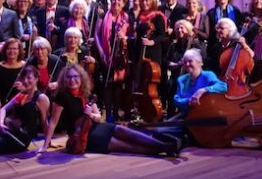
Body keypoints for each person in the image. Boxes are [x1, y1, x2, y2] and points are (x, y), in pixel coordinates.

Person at [39, 65, 181, 156]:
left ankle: (168, 144)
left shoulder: (85, 94)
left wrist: (91, 114)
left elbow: (97, 117)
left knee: (128, 132)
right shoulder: (62, 96)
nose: (72, 80)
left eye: (76, 77)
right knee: (129, 147)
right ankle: (167, 148)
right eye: (69, 77)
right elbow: (53, 122)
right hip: (85, 137)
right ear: (64, 79)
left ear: (81, 78)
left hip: (98, 127)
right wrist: (45, 145)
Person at [94, 0, 130, 122]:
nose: (116, 2)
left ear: (124, 3)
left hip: (120, 56)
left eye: (119, 0)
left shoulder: (126, 17)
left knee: (118, 85)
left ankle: (116, 113)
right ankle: (108, 113)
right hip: (106, 55)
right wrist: (102, 52)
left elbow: (130, 36)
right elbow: (97, 35)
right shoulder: (103, 16)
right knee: (107, 85)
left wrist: (124, 37)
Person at [166, 20, 205, 118]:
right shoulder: (173, 45)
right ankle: (170, 118)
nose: (179, 30)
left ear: (187, 30)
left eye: (182, 28)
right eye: (177, 28)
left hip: (190, 78)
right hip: (176, 77)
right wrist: (175, 64)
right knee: (171, 90)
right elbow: (166, 61)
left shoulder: (195, 44)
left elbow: (202, 58)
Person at [173, 49, 228, 118]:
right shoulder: (181, 79)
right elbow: (176, 100)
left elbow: (223, 86)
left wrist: (203, 90)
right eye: (185, 62)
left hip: (206, 117)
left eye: (190, 61)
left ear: (200, 63)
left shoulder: (208, 75)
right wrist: (189, 100)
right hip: (187, 117)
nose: (187, 64)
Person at [204, 0, 244, 74]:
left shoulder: (235, 11)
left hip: (231, 45)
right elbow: (208, 31)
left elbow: (240, 27)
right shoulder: (211, 12)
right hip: (215, 46)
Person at [216, 18, 255, 96]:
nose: (218, 30)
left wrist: (244, 45)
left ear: (230, 30)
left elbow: (252, 55)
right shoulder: (216, 46)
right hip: (222, 80)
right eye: (218, 28)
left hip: (237, 81)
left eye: (222, 28)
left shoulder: (238, 44)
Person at [0, 38, 26, 109]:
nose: (12, 51)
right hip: (3, 104)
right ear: (5, 50)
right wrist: (1, 110)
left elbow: (31, 88)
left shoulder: (25, 66)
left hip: (23, 104)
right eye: (9, 48)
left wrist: (24, 87)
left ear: (19, 51)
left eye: (15, 48)